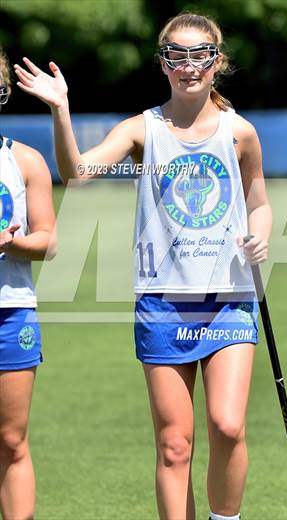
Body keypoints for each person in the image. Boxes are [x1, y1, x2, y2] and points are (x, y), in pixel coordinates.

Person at [14, 12, 272, 520]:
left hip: (228, 301)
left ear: (216, 62)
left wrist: (259, 234)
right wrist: (61, 110)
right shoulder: (141, 129)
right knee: (175, 445)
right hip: (163, 303)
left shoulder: (241, 133)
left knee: (227, 425)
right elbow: (77, 172)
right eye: (176, 55)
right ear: (163, 65)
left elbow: (258, 201)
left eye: (199, 55)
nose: (188, 66)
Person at [0, 48, 56, 520]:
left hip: (10, 310)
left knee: (11, 440)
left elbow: (47, 240)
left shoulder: (26, 161)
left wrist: (10, 246)